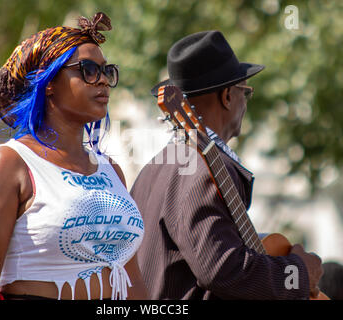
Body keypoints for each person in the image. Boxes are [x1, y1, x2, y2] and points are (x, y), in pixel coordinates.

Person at [0, 12, 147, 300]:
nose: (103, 82)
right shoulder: (10, 164)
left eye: (107, 71)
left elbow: (132, 279)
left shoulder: (111, 170)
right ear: (49, 82)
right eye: (88, 69)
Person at [130, 30, 323, 300]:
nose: (246, 103)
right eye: (246, 92)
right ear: (228, 96)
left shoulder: (153, 168)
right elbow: (223, 269)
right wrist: (299, 273)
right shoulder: (205, 169)